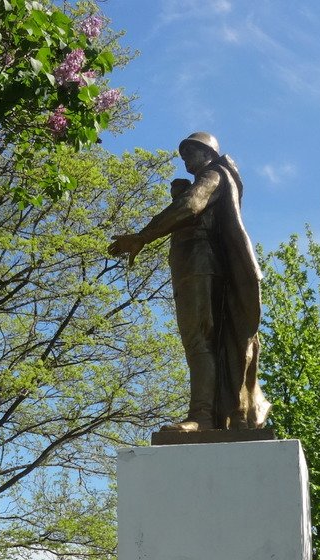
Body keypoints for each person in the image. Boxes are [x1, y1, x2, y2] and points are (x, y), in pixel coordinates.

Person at [109, 132, 270, 432]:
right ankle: (216, 414)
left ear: (207, 152)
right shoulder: (218, 176)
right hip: (198, 263)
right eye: (183, 156)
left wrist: (142, 236)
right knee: (208, 340)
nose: (185, 160)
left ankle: (202, 416)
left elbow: (190, 204)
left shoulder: (212, 175)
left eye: (190, 153)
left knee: (198, 338)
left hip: (199, 262)